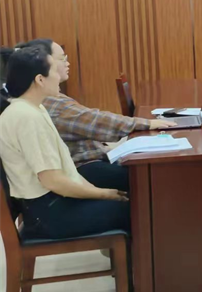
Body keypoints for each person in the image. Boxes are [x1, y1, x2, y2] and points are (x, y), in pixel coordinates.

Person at [6, 39, 175, 192]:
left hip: (85, 166)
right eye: (62, 59)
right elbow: (94, 121)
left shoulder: (42, 101)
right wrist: (145, 123)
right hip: (83, 168)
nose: (67, 63)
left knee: (149, 171)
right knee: (153, 179)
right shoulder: (44, 104)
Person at [0, 46, 130, 240]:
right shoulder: (26, 117)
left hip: (54, 203)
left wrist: (100, 192)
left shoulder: (35, 108)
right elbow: (53, 181)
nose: (59, 77)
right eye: (54, 71)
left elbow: (66, 171)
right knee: (137, 210)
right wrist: (104, 194)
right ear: (40, 79)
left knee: (134, 203)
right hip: (49, 214)